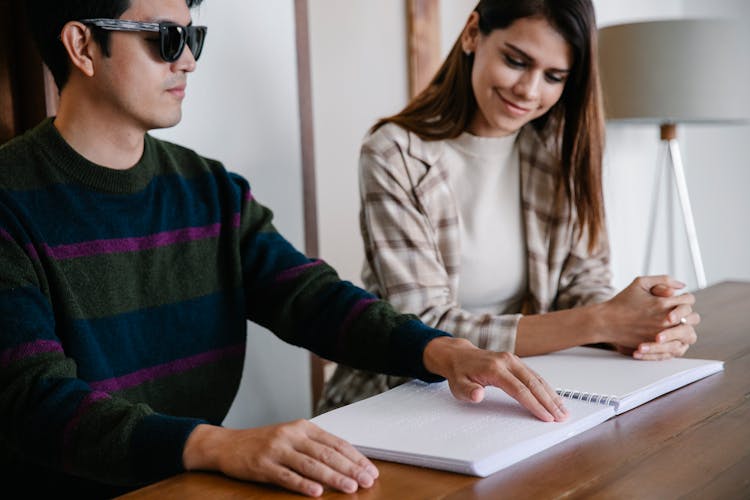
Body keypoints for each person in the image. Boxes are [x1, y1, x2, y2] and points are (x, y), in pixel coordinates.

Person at [0, 0, 571, 497]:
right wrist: (220, 447)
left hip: (189, 483)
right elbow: (35, 402)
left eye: (192, 36)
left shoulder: (211, 190)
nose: (189, 60)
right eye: (165, 38)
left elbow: (314, 300)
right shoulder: (10, 201)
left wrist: (446, 353)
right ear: (81, 44)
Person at [317, 0, 700, 415]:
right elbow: (423, 326)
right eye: (516, 61)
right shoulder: (394, 153)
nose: (529, 91)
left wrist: (643, 327)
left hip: (511, 398)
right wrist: (601, 321)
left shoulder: (558, 152)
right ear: (472, 34)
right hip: (395, 399)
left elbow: (581, 285)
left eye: (554, 76)